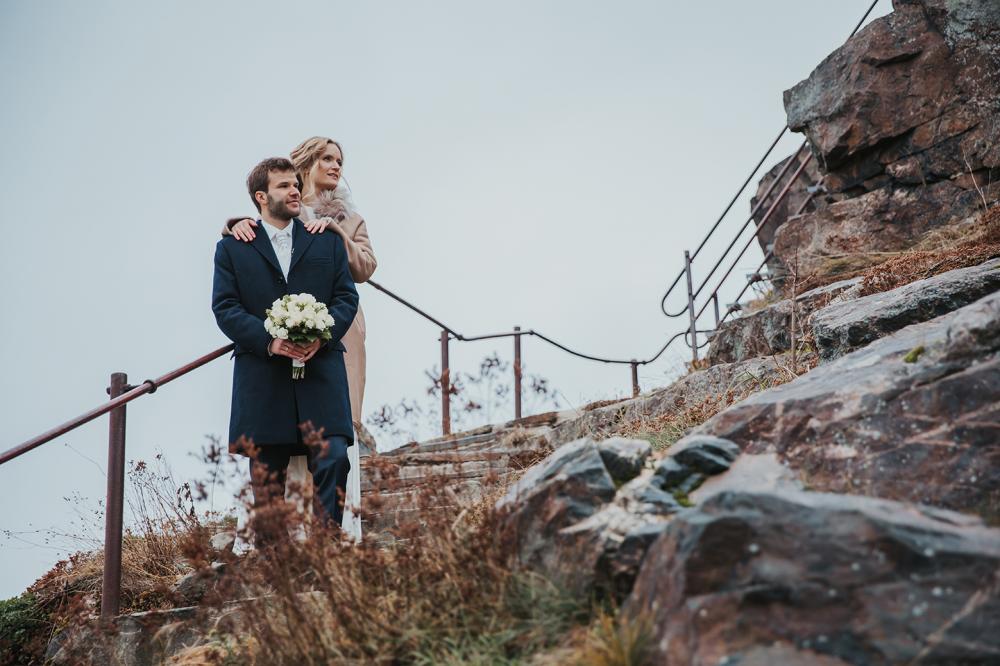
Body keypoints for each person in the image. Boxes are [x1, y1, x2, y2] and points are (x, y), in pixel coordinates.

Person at [224, 138, 376, 540]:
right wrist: (269, 341)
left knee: (334, 456)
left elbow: (349, 292)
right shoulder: (235, 244)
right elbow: (226, 307)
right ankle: (276, 562)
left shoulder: (330, 234)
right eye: (283, 186)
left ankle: (328, 549)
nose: (293, 190)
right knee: (267, 467)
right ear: (261, 196)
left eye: (295, 185)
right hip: (264, 373)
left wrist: (321, 335)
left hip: (324, 360)